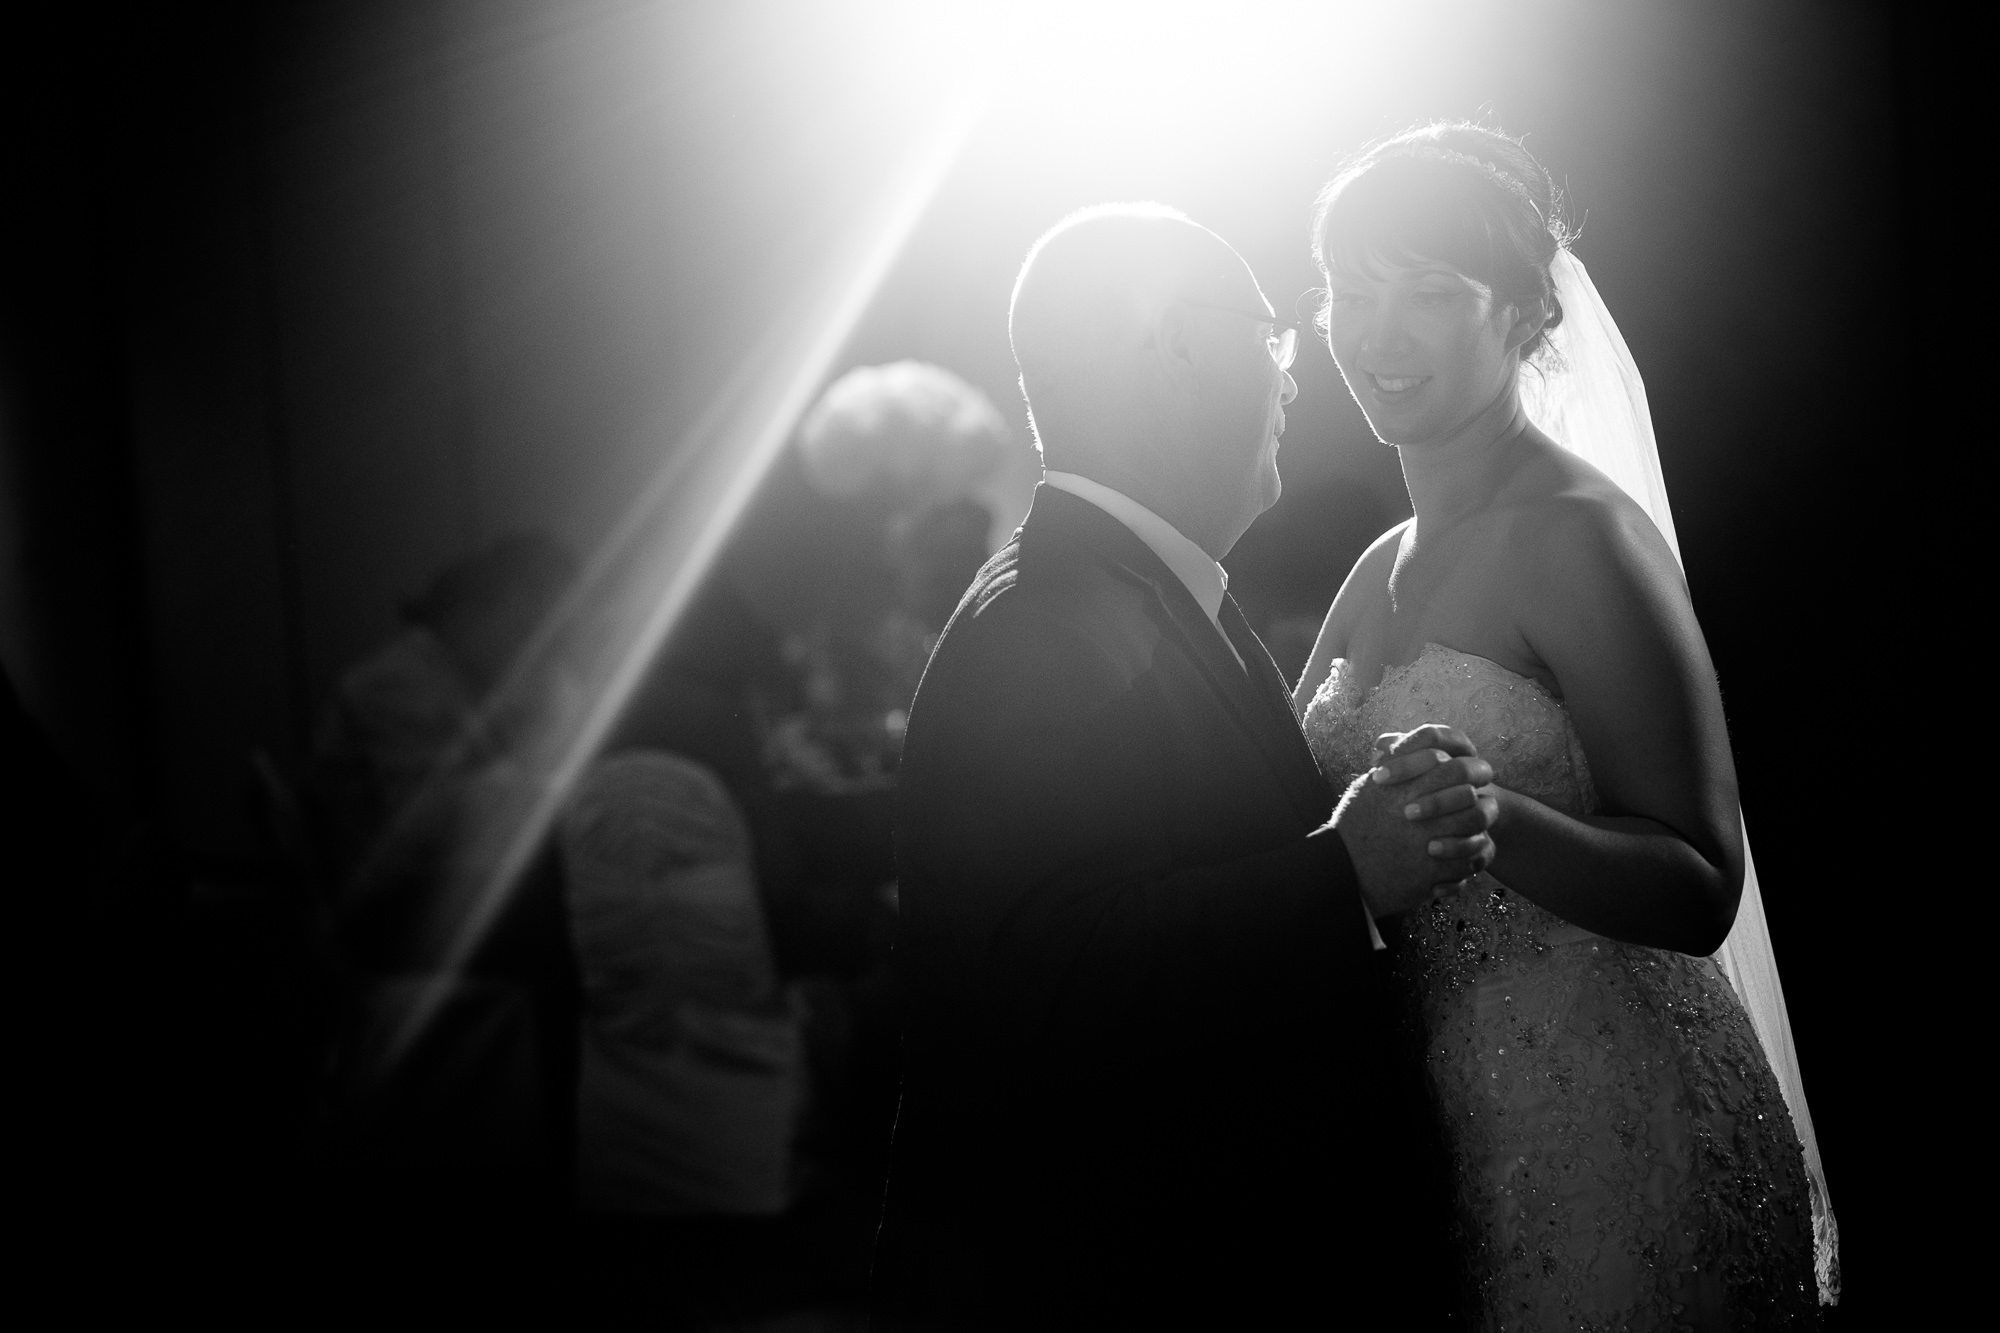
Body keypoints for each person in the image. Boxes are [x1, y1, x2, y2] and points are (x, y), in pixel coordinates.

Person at [873, 202, 1501, 1329]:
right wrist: (1342, 877)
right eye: (1271, 339)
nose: (1292, 382)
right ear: (1172, 344)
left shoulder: (1135, 588)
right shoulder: (1043, 629)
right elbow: (1040, 976)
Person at [1294, 122, 1830, 1328]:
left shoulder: (1576, 537)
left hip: (1604, 1117)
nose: (1375, 334)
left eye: (1426, 294)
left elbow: (1698, 883)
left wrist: (1495, 819)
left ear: (1525, 316)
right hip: (1441, 1122)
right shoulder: (1373, 565)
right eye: (1349, 291)